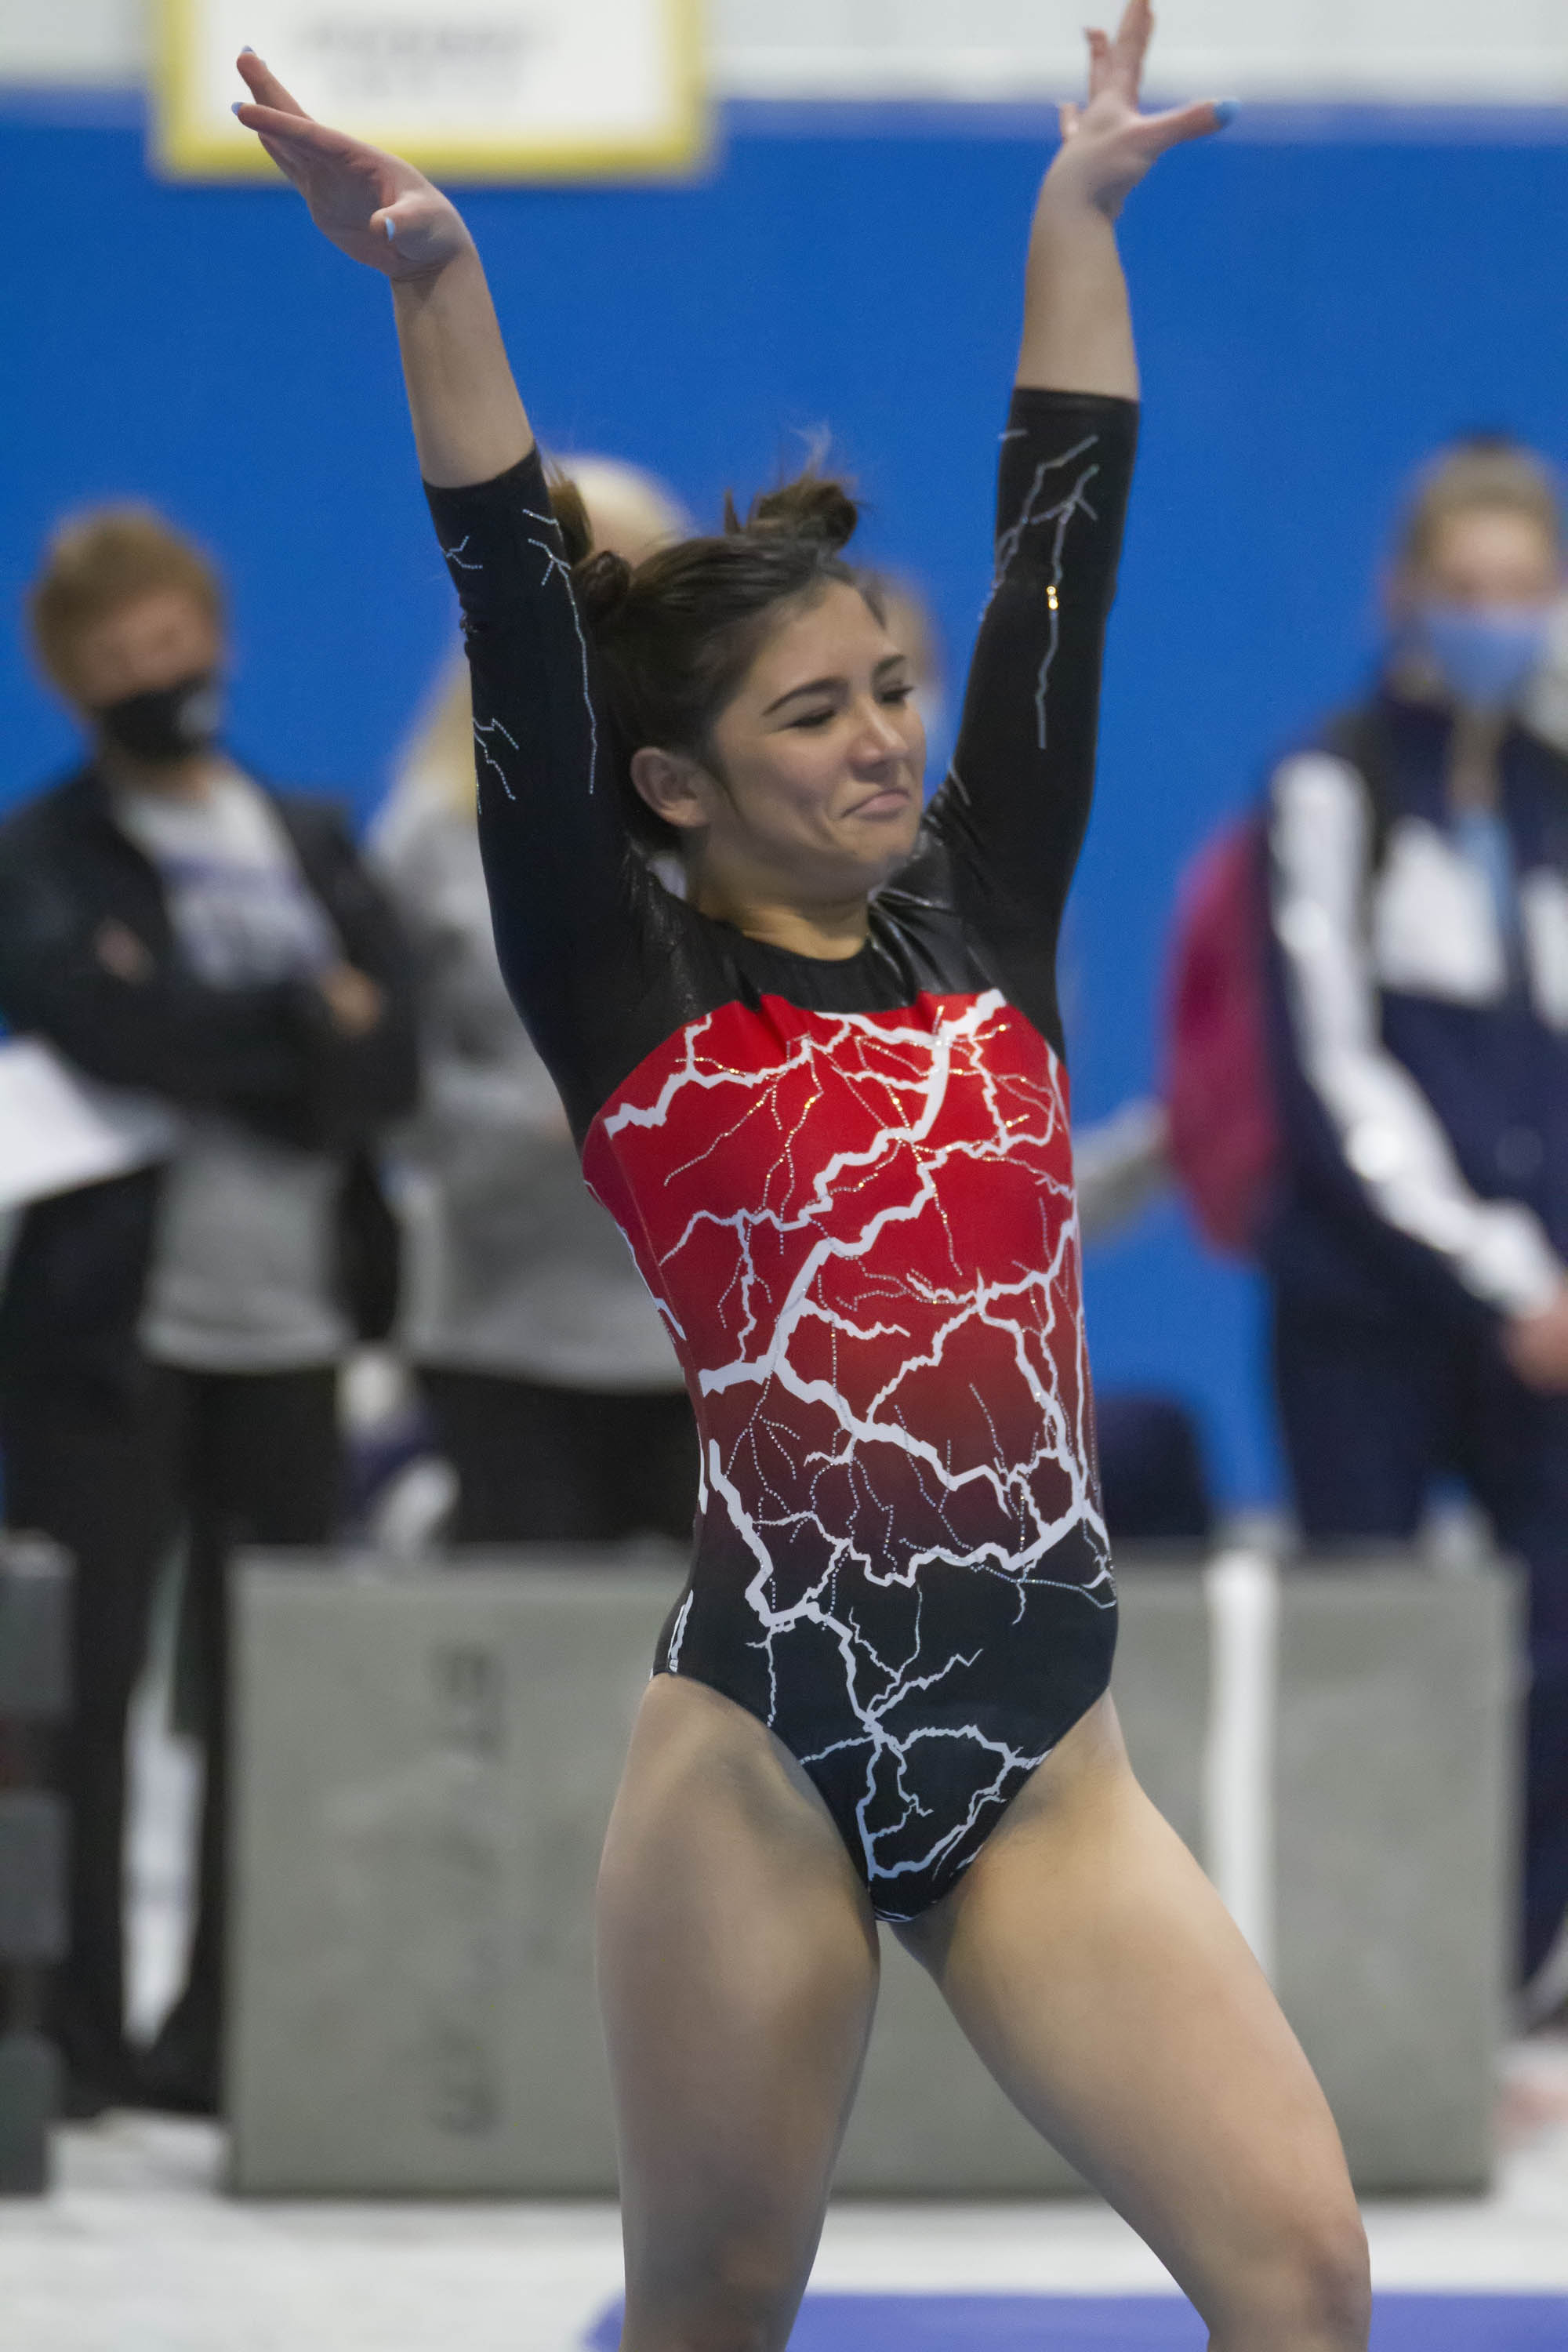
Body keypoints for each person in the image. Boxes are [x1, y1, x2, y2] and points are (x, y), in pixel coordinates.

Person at [234, 11, 1370, 2347]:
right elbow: (515, 613)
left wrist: (1073, 217)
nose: (882, 742)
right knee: (717, 2305)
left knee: (1302, 2277)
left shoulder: (985, 914)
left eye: (889, 692)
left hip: (1042, 1755)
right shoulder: (626, 988)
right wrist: (439, 280)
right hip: (765, 1743)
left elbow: (1064, 541)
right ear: (672, 786)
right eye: (813, 712)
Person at [0, 504, 417, 2114]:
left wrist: (244, 1031)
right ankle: (70, 2033)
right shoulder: (46, 856)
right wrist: (309, 1021)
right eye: (118, 659)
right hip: (112, 1338)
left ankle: (229, 2035)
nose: (154, 674)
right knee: (84, 1691)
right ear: (70, 681)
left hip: (295, 1329)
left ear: (218, 639)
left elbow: (395, 1059)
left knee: (265, 1701)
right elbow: (105, 1027)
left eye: (171, 642)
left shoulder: (306, 836)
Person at [1261, 435, 1568, 2012]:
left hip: (1554, 1324)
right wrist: (1497, 1273)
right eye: (1465, 588)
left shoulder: (1555, 793)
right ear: (1403, 595)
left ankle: (1501, 1979)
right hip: (1371, 1312)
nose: (1495, 618)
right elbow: (1332, 1069)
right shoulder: (1336, 783)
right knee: (1373, 1647)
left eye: (1525, 589)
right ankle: (1365, 2002)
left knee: (1558, 1648)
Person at [372, 459, 700, 1545]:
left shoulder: (734, 825)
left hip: (713, 1326)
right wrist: (543, 1126)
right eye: (576, 584)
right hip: (501, 1324)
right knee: (528, 1628)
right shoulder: (428, 836)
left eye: (631, 584)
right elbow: (386, 1082)